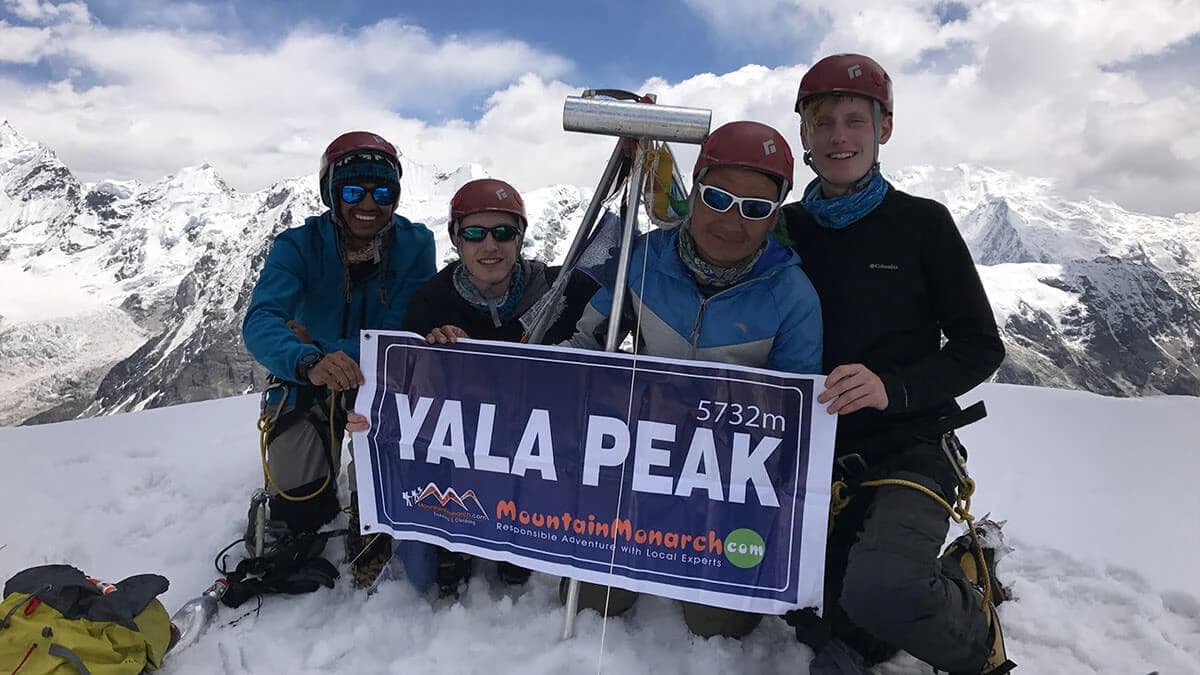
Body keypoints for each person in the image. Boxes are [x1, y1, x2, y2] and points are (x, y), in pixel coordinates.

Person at [779, 54, 1010, 674]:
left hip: (909, 447)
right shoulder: (784, 230)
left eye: (856, 119)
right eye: (822, 121)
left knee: (882, 591)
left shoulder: (921, 225)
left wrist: (893, 388)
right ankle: (917, 586)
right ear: (804, 134)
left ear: (884, 129)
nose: (838, 136)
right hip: (813, 451)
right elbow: (709, 242)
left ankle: (975, 633)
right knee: (817, 618)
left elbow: (979, 345)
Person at [560, 120, 824, 639]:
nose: (732, 220)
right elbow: (588, 344)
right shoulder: (644, 260)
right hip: (641, 461)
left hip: (727, 478)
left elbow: (798, 417)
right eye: (718, 197)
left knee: (715, 626)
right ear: (695, 191)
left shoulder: (792, 296)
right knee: (589, 600)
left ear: (775, 216)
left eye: (756, 208)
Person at [345, 177, 599, 597]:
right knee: (420, 574)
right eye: (474, 234)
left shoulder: (559, 291)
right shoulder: (432, 302)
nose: (490, 247)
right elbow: (402, 387)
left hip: (537, 448)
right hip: (456, 456)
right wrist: (377, 412)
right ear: (456, 240)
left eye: (503, 233)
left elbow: (624, 285)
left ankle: (512, 533)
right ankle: (454, 533)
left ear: (520, 237)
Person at [242, 130, 436, 590]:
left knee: (389, 464)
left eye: (382, 191)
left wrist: (322, 346)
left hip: (383, 376)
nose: (368, 203)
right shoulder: (297, 246)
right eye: (353, 190)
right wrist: (307, 361)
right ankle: (295, 498)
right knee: (305, 507)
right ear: (332, 193)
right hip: (308, 375)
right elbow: (262, 321)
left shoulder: (416, 244)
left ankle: (374, 511)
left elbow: (399, 332)